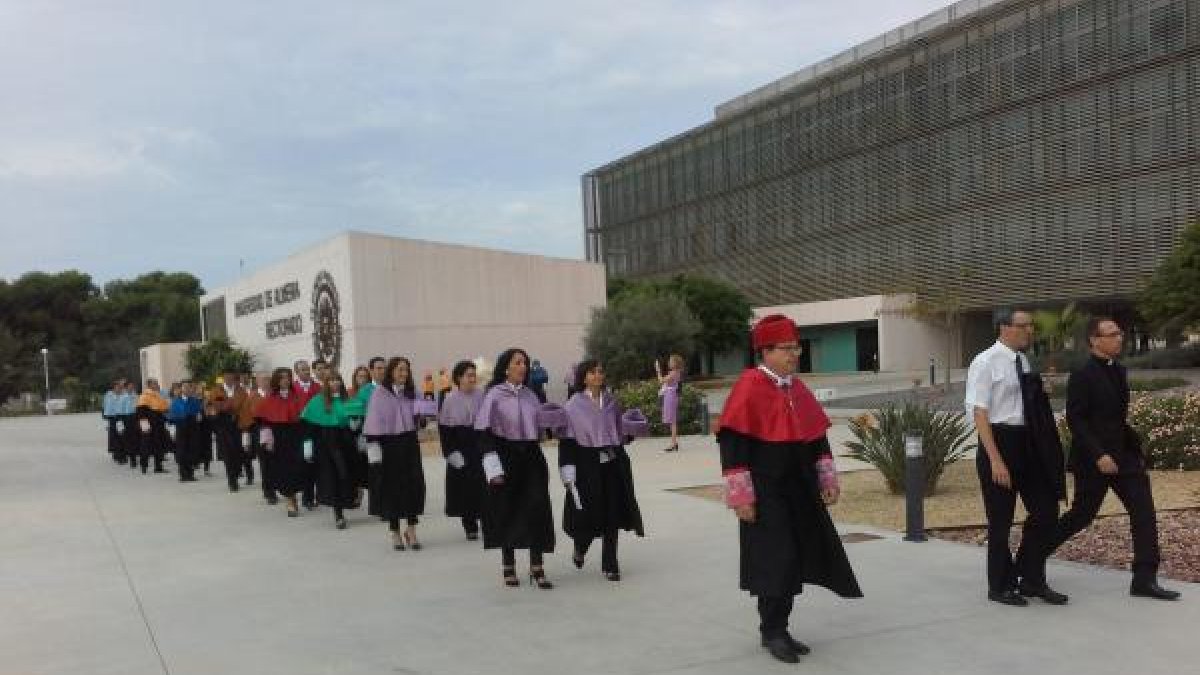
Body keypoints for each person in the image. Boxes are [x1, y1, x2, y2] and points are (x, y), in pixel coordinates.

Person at [717, 314, 862, 663]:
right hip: (766, 492)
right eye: (786, 349)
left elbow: (817, 439)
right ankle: (772, 631)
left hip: (800, 487)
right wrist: (742, 498)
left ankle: (781, 625)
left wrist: (827, 479)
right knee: (775, 561)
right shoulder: (748, 387)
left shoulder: (797, 387)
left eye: (795, 348)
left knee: (796, 557)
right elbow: (733, 449)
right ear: (765, 351)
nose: (794, 355)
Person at [1050, 317, 1180, 601]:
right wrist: (1099, 454)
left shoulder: (1119, 370)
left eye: (1120, 333)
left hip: (1125, 458)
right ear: (1094, 340)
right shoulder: (1082, 374)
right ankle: (1031, 557)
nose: (1119, 338)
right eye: (1112, 334)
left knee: (1144, 511)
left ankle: (1144, 579)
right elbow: (1077, 419)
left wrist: (1134, 446)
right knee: (1081, 516)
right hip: (1093, 460)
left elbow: (1117, 418)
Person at [965, 309, 1066, 607]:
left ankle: (1030, 576)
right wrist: (996, 459)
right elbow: (979, 412)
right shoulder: (984, 362)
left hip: (1028, 443)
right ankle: (1000, 586)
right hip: (999, 442)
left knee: (1047, 511)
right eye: (1024, 326)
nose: (1030, 331)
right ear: (1004, 328)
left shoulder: (1021, 360)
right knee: (1001, 520)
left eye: (1031, 326)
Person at [476, 348, 556, 589]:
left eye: (526, 362)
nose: (523, 366)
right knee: (507, 509)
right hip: (505, 455)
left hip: (531, 456)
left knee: (537, 507)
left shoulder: (532, 395)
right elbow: (483, 431)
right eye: (518, 362)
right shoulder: (494, 395)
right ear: (506, 367)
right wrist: (492, 464)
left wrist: (553, 423)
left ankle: (537, 566)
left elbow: (541, 426)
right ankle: (508, 565)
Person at [559, 360, 645, 582]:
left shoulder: (611, 402)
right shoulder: (572, 405)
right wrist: (567, 471)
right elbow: (567, 441)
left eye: (600, 371)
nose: (598, 375)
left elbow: (619, 432)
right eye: (593, 372)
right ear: (583, 377)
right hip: (586, 465)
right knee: (588, 514)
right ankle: (581, 547)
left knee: (612, 513)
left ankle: (610, 564)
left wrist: (631, 430)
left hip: (613, 463)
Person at [364, 357, 427, 551]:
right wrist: (374, 455)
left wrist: (423, 415)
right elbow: (373, 428)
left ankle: (411, 529)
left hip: (409, 444)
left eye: (406, 370)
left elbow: (422, 422)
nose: (404, 374)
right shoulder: (379, 394)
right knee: (392, 489)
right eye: (400, 370)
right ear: (391, 372)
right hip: (388, 446)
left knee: (413, 485)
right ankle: (395, 531)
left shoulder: (412, 392)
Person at [301, 371, 358, 529]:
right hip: (325, 445)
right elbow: (309, 429)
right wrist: (308, 447)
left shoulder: (348, 400)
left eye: (337, 380)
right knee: (332, 477)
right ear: (326, 383)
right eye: (331, 380)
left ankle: (347, 501)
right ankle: (338, 513)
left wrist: (355, 424)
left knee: (345, 475)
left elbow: (355, 423)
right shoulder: (317, 402)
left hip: (345, 444)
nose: (335, 383)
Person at [437, 360, 486, 541]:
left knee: (484, 484)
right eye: (469, 375)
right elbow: (445, 430)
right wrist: (451, 452)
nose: (473, 378)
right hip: (461, 445)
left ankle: (487, 520)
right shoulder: (449, 399)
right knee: (466, 487)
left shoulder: (482, 395)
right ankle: (470, 523)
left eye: (474, 375)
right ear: (459, 378)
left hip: (480, 443)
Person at [256, 368, 307, 517]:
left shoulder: (297, 396)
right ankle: (290, 499)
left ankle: (294, 496)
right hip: (278, 438)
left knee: (297, 467)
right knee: (284, 469)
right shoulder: (269, 398)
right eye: (282, 378)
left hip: (296, 435)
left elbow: (304, 417)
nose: (285, 380)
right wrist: (267, 438)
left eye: (288, 377)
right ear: (276, 380)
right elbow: (263, 421)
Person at [209, 371, 253, 492]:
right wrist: (226, 406)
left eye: (231, 377)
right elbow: (212, 405)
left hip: (239, 424)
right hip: (223, 425)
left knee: (239, 452)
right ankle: (232, 481)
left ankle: (238, 472)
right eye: (226, 377)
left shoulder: (241, 391)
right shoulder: (216, 391)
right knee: (228, 454)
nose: (228, 379)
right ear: (223, 378)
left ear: (234, 378)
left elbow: (246, 406)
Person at [292, 360, 322, 509]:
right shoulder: (292, 388)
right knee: (304, 463)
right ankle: (306, 496)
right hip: (299, 431)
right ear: (296, 372)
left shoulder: (318, 387)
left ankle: (318, 495)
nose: (306, 372)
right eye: (302, 370)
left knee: (316, 462)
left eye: (307, 369)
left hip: (316, 429)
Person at [246, 373, 278, 505]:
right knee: (265, 463)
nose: (266, 382)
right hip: (259, 432)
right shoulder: (252, 396)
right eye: (263, 380)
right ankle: (269, 491)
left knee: (276, 461)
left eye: (268, 380)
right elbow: (247, 416)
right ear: (257, 381)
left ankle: (278, 487)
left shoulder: (275, 395)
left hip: (276, 431)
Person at [166, 381, 204, 482]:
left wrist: (198, 417)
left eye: (189, 387)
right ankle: (183, 474)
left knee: (191, 450)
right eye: (185, 387)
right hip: (180, 427)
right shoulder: (175, 401)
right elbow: (171, 418)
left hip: (192, 428)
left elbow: (199, 414)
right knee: (181, 451)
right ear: (181, 389)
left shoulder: (195, 401)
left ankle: (190, 474)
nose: (187, 389)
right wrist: (172, 431)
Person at [134, 378, 171, 474]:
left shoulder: (158, 395)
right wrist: (145, 426)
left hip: (158, 424)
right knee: (145, 445)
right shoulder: (144, 397)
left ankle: (158, 467)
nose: (157, 385)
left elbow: (164, 408)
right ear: (149, 385)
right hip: (149, 424)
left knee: (159, 445)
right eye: (155, 383)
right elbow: (140, 413)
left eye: (157, 383)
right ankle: (144, 466)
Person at [655, 354, 685, 452]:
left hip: (670, 396)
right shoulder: (676, 373)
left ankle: (673, 443)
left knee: (672, 421)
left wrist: (658, 370)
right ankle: (674, 443)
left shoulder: (673, 373)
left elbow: (661, 381)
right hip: (671, 395)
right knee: (672, 421)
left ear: (675, 363)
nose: (669, 362)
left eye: (671, 361)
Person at [102, 379, 125, 464]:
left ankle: (121, 454)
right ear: (113, 388)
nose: (119, 389)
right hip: (112, 417)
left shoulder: (123, 395)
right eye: (117, 387)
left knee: (121, 436)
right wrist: (105, 416)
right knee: (114, 437)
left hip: (121, 417)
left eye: (120, 387)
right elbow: (105, 406)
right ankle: (117, 455)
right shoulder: (108, 395)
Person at [118, 381, 139, 469]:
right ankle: (132, 459)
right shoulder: (123, 397)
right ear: (126, 388)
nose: (131, 388)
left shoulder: (136, 396)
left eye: (132, 386)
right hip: (127, 418)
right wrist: (120, 425)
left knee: (136, 438)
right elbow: (120, 411)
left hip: (136, 417)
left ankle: (137, 457)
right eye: (129, 386)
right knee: (129, 440)